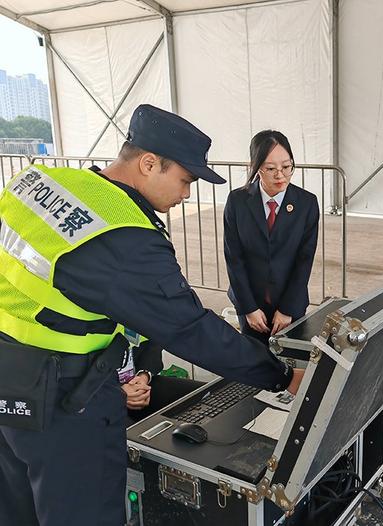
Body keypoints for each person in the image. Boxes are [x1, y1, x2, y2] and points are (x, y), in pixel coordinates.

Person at [0, 104, 304, 526]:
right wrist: (281, 375)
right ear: (148, 164)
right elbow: (190, 328)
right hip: (66, 399)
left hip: (10, 380)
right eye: (185, 179)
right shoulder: (122, 233)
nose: (187, 194)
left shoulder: (37, 182)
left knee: (17, 509)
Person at [224, 130, 319, 345]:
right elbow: (234, 258)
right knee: (253, 362)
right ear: (257, 168)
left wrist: (287, 309)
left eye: (287, 167)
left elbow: (304, 260)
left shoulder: (307, 203)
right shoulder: (237, 201)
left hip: (289, 305)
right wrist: (248, 308)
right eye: (271, 169)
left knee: (290, 363)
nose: (280, 175)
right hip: (250, 304)